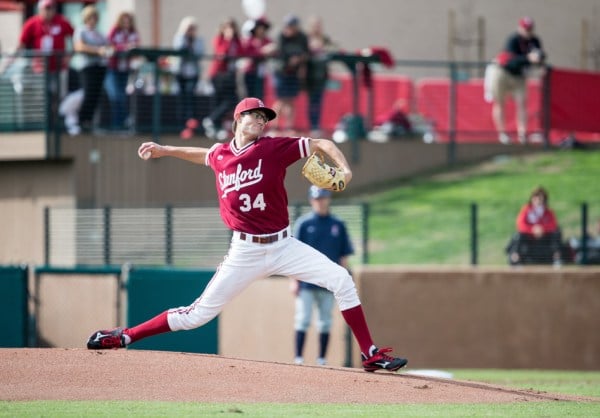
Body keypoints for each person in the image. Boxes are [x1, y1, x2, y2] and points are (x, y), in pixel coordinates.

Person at [87, 96, 408, 374]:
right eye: (253, 114)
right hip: (245, 252)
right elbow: (203, 155)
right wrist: (164, 149)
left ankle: (370, 354)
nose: (260, 119)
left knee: (341, 279)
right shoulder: (220, 155)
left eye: (263, 117)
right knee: (196, 315)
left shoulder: (273, 149)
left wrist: (345, 168)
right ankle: (125, 335)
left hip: (284, 245)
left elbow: (322, 144)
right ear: (237, 119)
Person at [290, 186, 354, 366]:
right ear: (311, 200)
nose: (321, 201)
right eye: (317, 198)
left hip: (328, 283)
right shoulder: (304, 224)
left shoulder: (338, 224)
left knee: (325, 321)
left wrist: (341, 280)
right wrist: (294, 280)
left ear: (329, 199)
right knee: (302, 319)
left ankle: (322, 359)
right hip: (306, 282)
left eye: (324, 197)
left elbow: (344, 255)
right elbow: (293, 255)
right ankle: (298, 358)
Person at [486, 16, 545, 145]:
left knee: (522, 103)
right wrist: (528, 58)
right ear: (520, 28)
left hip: (519, 76)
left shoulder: (534, 41)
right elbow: (511, 60)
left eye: (529, 29)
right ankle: (503, 134)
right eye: (525, 29)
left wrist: (539, 59)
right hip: (503, 72)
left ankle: (522, 134)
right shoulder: (513, 40)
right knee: (500, 103)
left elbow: (541, 56)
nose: (527, 32)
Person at [14, 0, 74, 124]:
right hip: (40, 69)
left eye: (51, 8)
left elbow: (75, 37)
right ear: (40, 9)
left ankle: (58, 123)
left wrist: (69, 56)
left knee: (59, 96)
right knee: (42, 97)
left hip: (59, 68)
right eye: (46, 8)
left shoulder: (62, 21)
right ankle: (44, 123)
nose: (48, 11)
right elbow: (22, 43)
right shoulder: (32, 23)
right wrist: (15, 58)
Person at [202, 18, 243, 141]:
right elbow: (221, 53)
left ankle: (213, 121)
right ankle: (214, 123)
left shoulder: (237, 41)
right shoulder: (220, 39)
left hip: (230, 76)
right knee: (221, 101)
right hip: (218, 75)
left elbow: (241, 52)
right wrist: (228, 40)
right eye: (227, 27)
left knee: (232, 100)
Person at [73, 4, 111, 133]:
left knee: (96, 95)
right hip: (87, 67)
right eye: (90, 17)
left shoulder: (99, 34)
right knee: (88, 94)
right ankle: (81, 121)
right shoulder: (81, 31)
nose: (93, 20)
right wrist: (97, 50)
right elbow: (79, 47)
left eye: (95, 17)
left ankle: (89, 122)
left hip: (100, 67)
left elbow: (108, 46)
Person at [272, 14, 309, 134]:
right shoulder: (281, 36)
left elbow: (306, 52)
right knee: (281, 100)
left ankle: (289, 127)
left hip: (294, 73)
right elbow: (280, 53)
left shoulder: (302, 37)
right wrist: (290, 60)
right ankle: (274, 127)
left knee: (291, 100)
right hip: (281, 72)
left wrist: (299, 60)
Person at [506, 186, 562, 265]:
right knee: (519, 235)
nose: (538, 200)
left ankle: (557, 258)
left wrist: (542, 229)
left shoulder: (548, 212)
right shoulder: (526, 210)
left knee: (556, 234)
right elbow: (520, 224)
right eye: (536, 198)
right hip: (529, 237)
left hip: (544, 237)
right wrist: (532, 229)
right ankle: (515, 258)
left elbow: (553, 225)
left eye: (540, 198)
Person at [105, 11, 140, 131]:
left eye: (128, 21)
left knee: (122, 96)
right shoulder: (114, 31)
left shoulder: (133, 33)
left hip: (125, 70)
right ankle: (118, 122)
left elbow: (137, 46)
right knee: (115, 95)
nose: (126, 23)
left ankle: (121, 123)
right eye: (124, 20)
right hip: (113, 69)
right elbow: (109, 46)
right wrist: (124, 47)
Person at [172, 16, 205, 136]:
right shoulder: (180, 38)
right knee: (181, 98)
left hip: (193, 73)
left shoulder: (198, 40)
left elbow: (198, 53)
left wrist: (191, 49)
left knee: (190, 96)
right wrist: (185, 40)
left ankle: (190, 124)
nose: (191, 30)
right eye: (189, 28)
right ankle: (181, 125)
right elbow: (179, 50)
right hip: (180, 73)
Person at [305, 16, 337, 137]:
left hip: (322, 75)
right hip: (311, 76)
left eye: (318, 25)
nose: (317, 28)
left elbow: (333, 48)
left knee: (318, 101)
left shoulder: (324, 39)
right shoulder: (307, 39)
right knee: (312, 102)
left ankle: (316, 125)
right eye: (314, 25)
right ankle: (313, 125)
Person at [241, 17, 274, 100]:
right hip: (250, 71)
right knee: (250, 95)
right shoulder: (249, 41)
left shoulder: (267, 40)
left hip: (261, 72)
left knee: (260, 95)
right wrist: (262, 51)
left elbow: (274, 50)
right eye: (259, 28)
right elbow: (247, 53)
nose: (261, 30)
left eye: (263, 28)